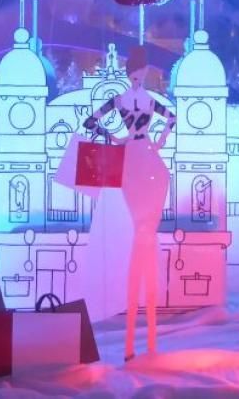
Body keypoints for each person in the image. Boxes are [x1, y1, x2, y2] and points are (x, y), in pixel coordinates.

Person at [83, 45, 175, 360]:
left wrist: (154, 141)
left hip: (143, 160)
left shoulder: (143, 100)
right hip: (136, 162)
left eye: (140, 71)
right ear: (129, 72)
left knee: (145, 237)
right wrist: (119, 138)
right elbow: (91, 122)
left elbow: (171, 118)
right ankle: (136, 343)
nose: (137, 76)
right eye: (134, 71)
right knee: (141, 238)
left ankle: (143, 343)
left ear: (145, 72)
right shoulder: (127, 100)